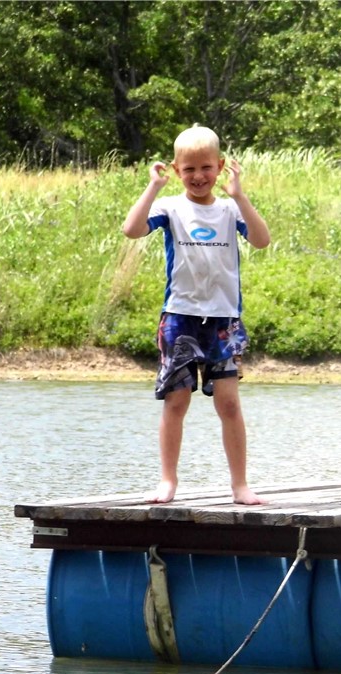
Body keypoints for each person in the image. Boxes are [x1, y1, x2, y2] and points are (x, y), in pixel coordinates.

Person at [121, 125, 270, 505]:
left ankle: (240, 485)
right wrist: (153, 187)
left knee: (230, 404)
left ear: (220, 167)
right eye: (188, 170)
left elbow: (261, 240)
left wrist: (241, 196)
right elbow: (131, 229)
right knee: (176, 401)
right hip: (180, 316)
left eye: (206, 167)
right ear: (176, 169)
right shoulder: (170, 207)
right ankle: (167, 481)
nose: (199, 176)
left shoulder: (229, 209)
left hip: (223, 320)